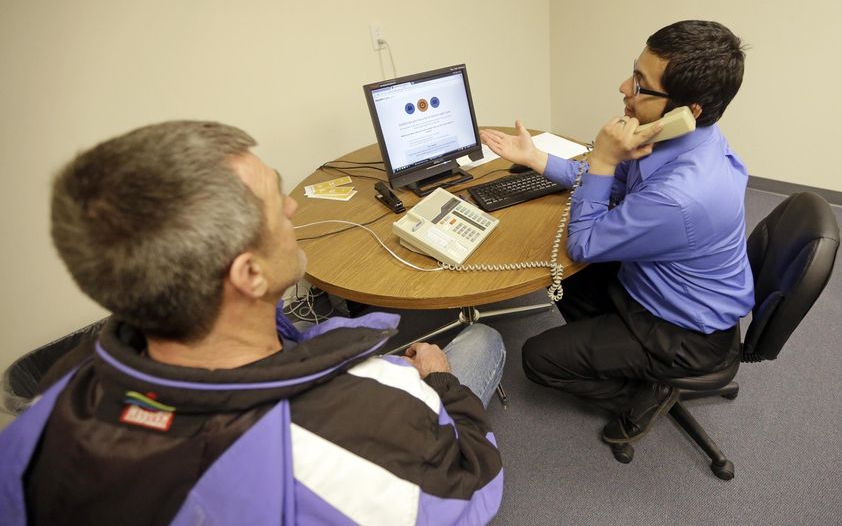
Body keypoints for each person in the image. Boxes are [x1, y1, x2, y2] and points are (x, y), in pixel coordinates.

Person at [0, 121, 505, 525]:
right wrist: (439, 382)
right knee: (481, 341)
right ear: (250, 275)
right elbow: (473, 489)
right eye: (276, 205)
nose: (292, 206)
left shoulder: (45, 415)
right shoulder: (370, 410)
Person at [480, 20, 754, 445]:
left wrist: (605, 160)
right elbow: (609, 185)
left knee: (538, 358)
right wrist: (537, 159)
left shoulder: (681, 195)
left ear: (689, 110)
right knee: (557, 273)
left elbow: (583, 242)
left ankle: (644, 394)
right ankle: (617, 351)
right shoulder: (679, 138)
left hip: (683, 331)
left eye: (641, 85)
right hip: (658, 283)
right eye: (633, 72)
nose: (624, 87)